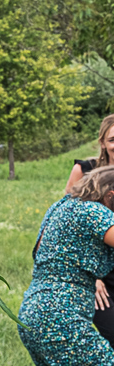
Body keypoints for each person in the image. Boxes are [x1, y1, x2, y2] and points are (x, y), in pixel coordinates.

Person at [19, 165, 114, 366]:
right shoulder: (93, 211)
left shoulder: (60, 206)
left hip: (32, 312)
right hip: (61, 318)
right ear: (110, 195)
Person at [62, 114, 114, 348]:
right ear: (102, 142)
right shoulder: (86, 171)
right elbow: (66, 224)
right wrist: (90, 276)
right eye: (113, 139)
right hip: (99, 271)